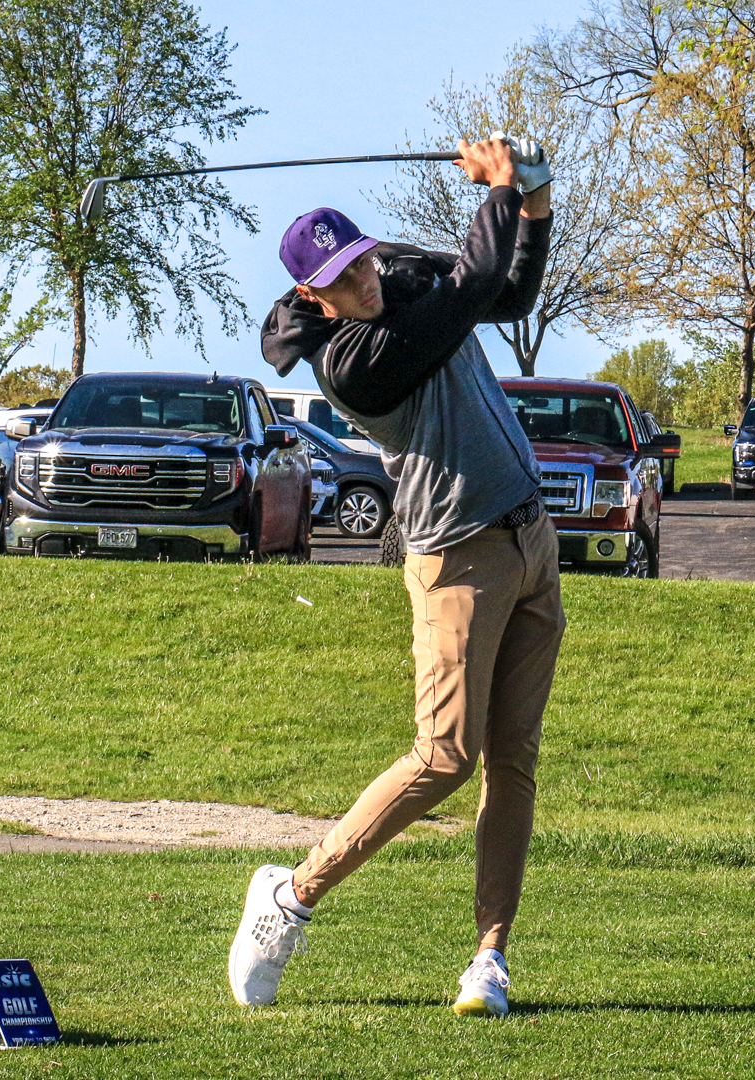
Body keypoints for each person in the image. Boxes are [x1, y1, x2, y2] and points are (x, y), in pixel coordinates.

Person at [229, 135, 561, 1017]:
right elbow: (465, 294)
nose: (364, 282)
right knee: (445, 756)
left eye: (364, 261)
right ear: (313, 296)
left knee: (513, 764)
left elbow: (509, 287)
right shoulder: (352, 366)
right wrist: (495, 186)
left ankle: (489, 958)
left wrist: (534, 197)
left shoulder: (405, 286)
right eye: (341, 278)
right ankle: (293, 895)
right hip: (458, 559)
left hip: (530, 542)